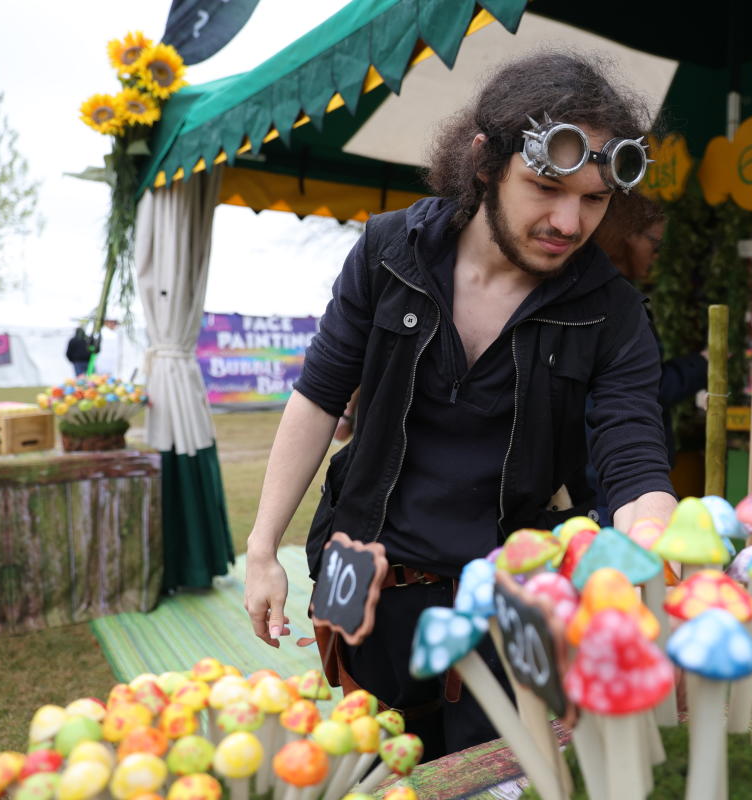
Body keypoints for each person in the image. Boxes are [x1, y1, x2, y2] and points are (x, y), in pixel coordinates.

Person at [244, 50, 677, 761]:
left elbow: (632, 458)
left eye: (594, 200)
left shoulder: (614, 312)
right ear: (485, 163)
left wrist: (660, 552)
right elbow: (319, 395)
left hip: (511, 609)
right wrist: (263, 549)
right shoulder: (389, 253)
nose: (569, 222)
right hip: (367, 577)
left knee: (498, 776)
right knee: (371, 767)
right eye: (545, 187)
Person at [586, 199, 708, 519]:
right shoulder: (608, 308)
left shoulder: (616, 300)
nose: (656, 256)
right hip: (607, 480)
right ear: (624, 237)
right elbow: (647, 388)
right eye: (654, 244)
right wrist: (700, 365)